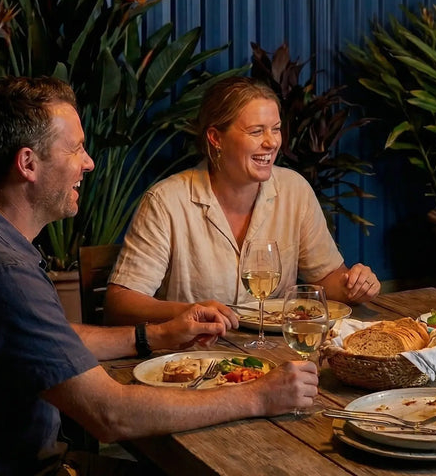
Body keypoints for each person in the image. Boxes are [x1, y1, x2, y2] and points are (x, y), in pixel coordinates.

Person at [0, 77, 318, 475]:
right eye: (76, 148)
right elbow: (111, 414)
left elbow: (53, 341)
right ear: (28, 164)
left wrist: (156, 335)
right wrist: (259, 396)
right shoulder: (3, 273)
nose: (89, 162)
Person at [104, 77, 379, 326]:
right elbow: (120, 303)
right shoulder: (166, 202)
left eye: (276, 129)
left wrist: (354, 285)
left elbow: (325, 279)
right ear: (215, 138)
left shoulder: (295, 189)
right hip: (195, 357)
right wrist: (191, 311)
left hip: (278, 352)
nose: (271, 143)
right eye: (256, 131)